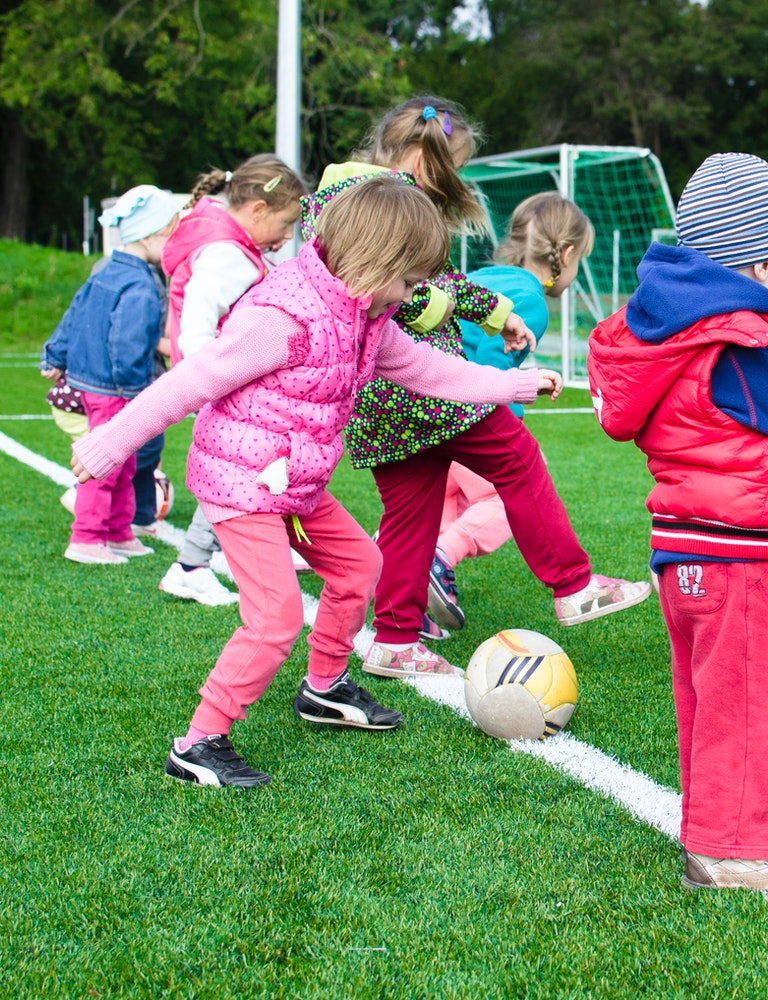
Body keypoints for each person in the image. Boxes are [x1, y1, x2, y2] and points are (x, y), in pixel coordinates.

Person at [70, 175, 563, 788]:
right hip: (243, 484)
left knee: (361, 566)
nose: (415, 296)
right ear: (375, 261)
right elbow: (191, 381)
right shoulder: (283, 317)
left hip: (295, 485)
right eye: (411, 282)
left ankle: (324, 688)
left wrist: (513, 384)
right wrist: (109, 442)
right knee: (275, 617)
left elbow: (426, 369)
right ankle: (198, 742)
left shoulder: (366, 314)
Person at [303, 96, 650, 679]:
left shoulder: (345, 192)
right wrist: (450, 315)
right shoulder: (377, 200)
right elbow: (399, 291)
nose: (452, 182)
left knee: (412, 514)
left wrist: (497, 315)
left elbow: (436, 278)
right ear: (420, 156)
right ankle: (573, 585)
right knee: (517, 458)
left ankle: (393, 639)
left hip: (379, 398)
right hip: (422, 385)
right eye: (451, 168)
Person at [588, 152, 768, 891]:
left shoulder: (683, 331)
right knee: (748, 702)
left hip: (690, 549)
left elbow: (719, 433)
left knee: (710, 699)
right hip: (733, 559)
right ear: (761, 262)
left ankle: (720, 821)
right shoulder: (737, 338)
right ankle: (729, 849)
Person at [426, 191, 596, 637]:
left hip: (421, 408)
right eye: (581, 261)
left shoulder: (486, 276)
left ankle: (412, 595)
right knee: (505, 497)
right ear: (566, 254)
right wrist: (507, 431)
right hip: (461, 413)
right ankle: (440, 557)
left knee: (439, 502)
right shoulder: (531, 300)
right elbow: (489, 364)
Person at [157, 153, 309, 607]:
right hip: (224, 384)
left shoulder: (228, 241)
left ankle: (203, 559)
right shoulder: (228, 255)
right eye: (285, 225)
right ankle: (191, 564)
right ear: (258, 210)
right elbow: (198, 327)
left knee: (247, 469)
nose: (286, 239)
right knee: (241, 472)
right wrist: (215, 380)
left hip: (223, 381)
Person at [40, 184, 179, 565]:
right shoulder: (140, 284)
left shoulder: (106, 270)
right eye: (171, 234)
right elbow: (127, 342)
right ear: (150, 236)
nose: (174, 244)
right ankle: (86, 537)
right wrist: (137, 393)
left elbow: (74, 312)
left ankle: (118, 531)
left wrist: (55, 353)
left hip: (97, 382)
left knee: (125, 461)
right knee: (105, 462)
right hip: (115, 388)